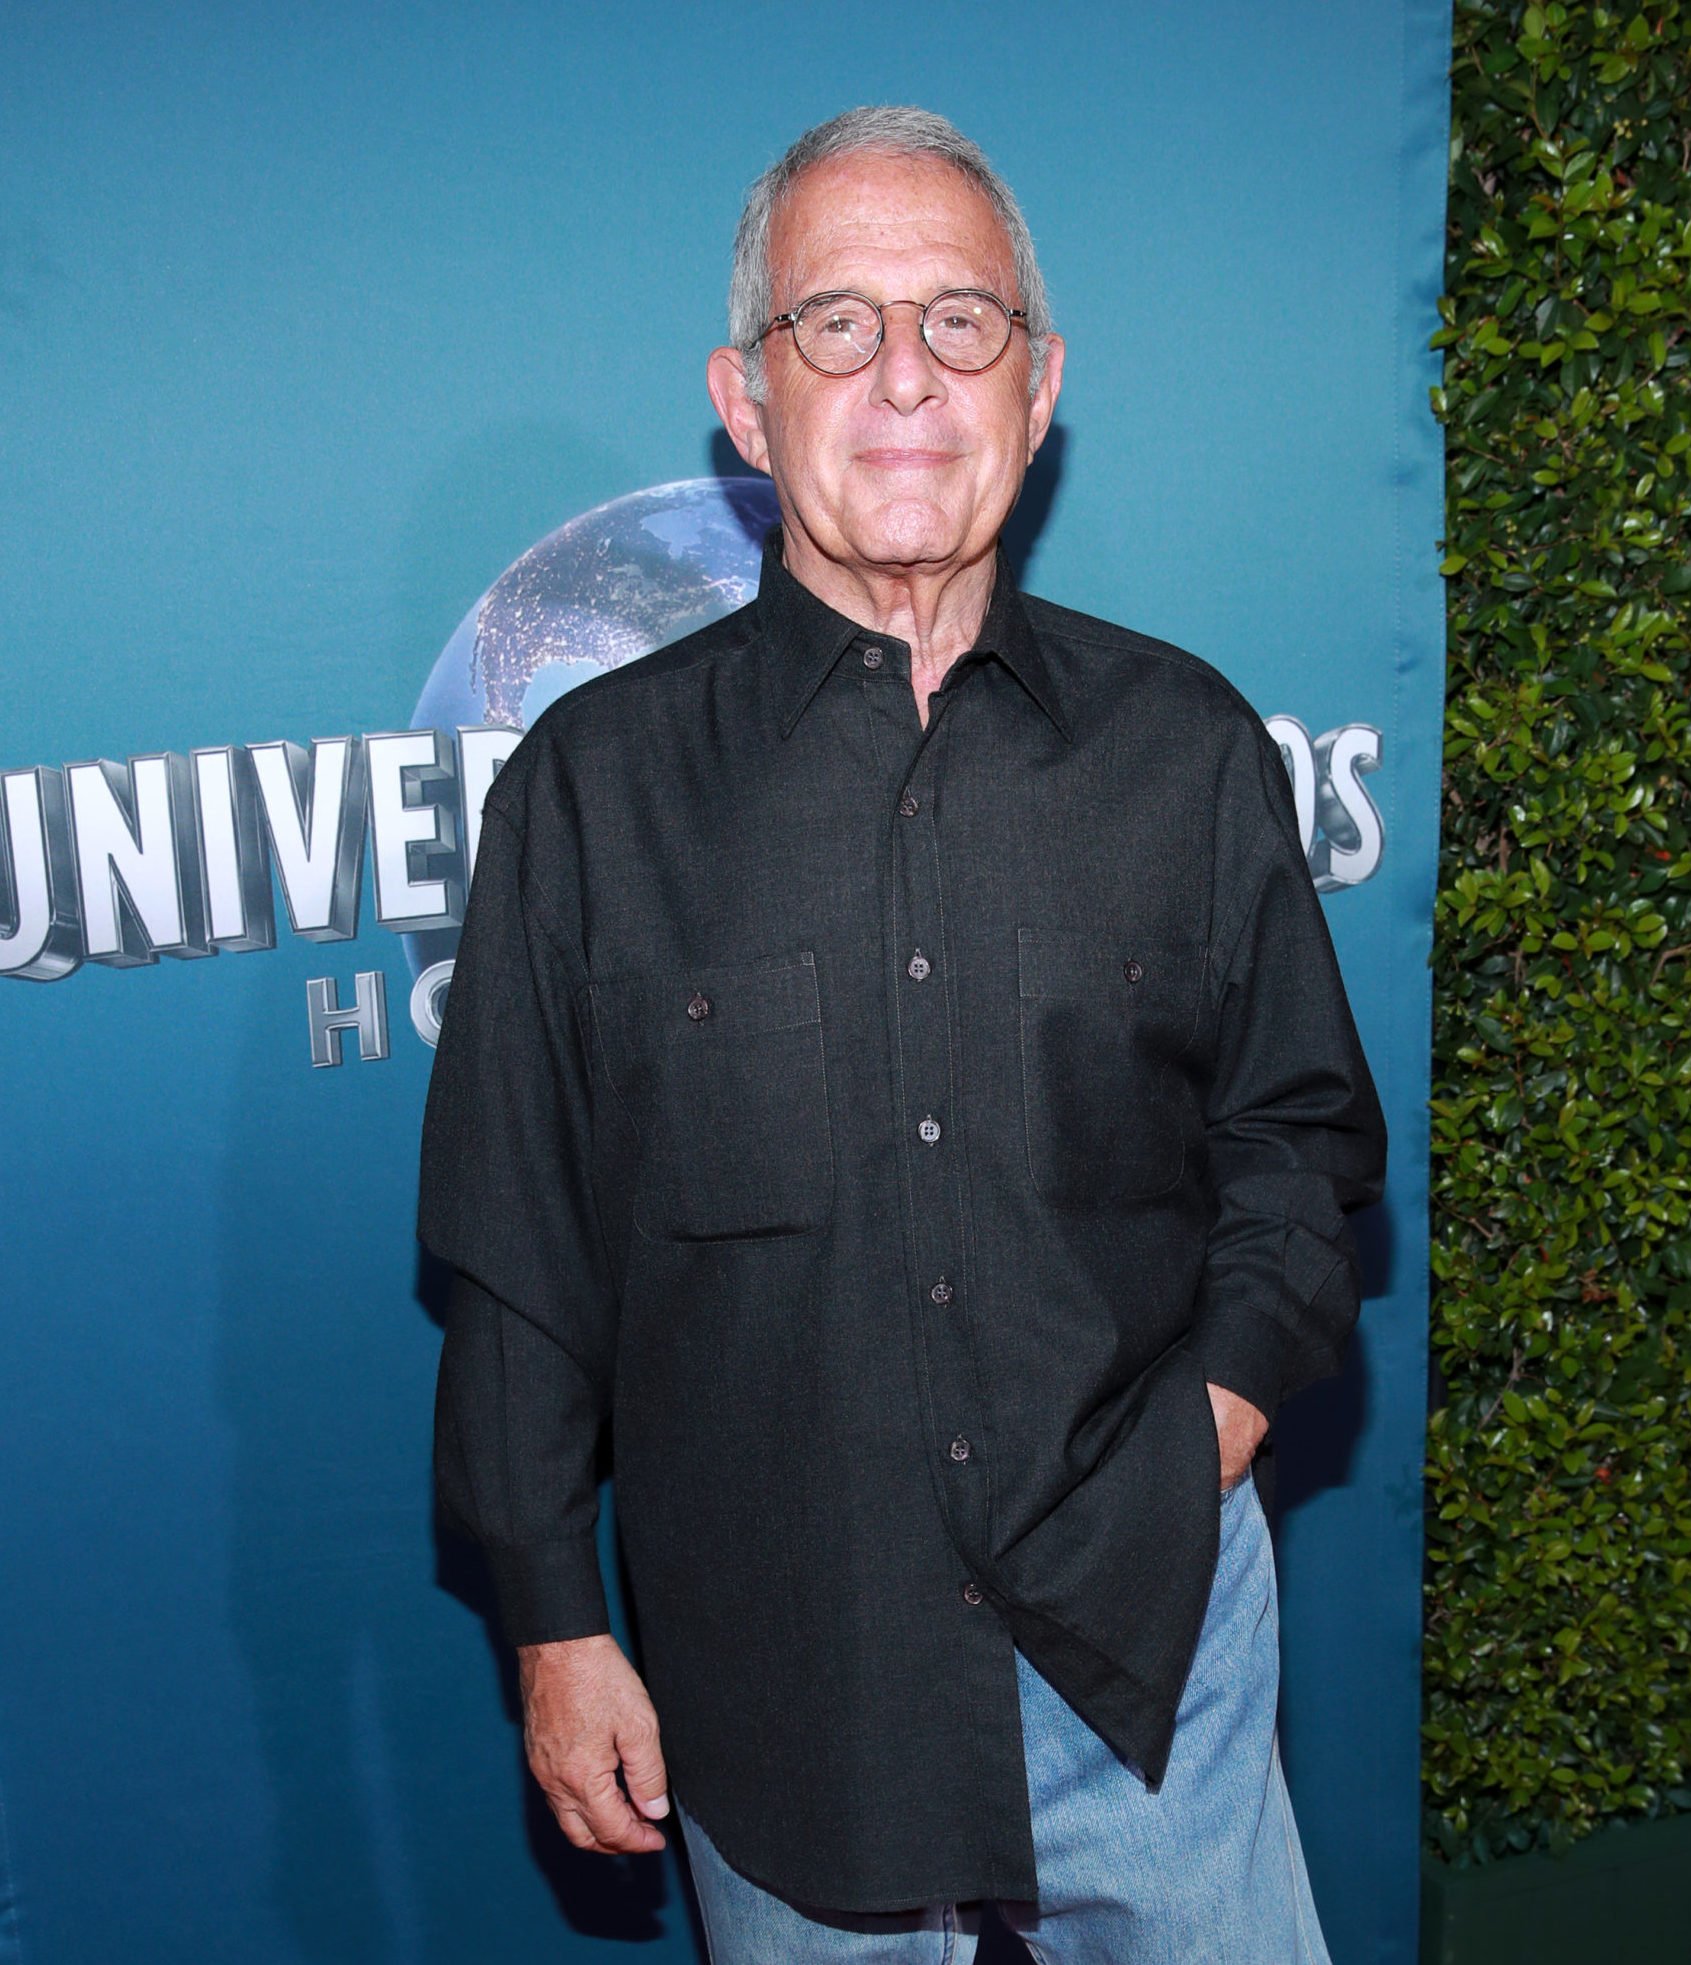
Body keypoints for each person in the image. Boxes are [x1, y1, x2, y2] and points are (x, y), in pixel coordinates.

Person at [419, 104, 1386, 1963]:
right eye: (836, 327)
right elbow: (520, 1266)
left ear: (1038, 388)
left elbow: (1297, 1150)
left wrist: (1205, 1434)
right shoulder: (591, 798)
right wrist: (555, 1626)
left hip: (1155, 1645)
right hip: (787, 1686)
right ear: (744, 396)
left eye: (960, 324)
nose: (905, 381)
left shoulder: (1184, 751)